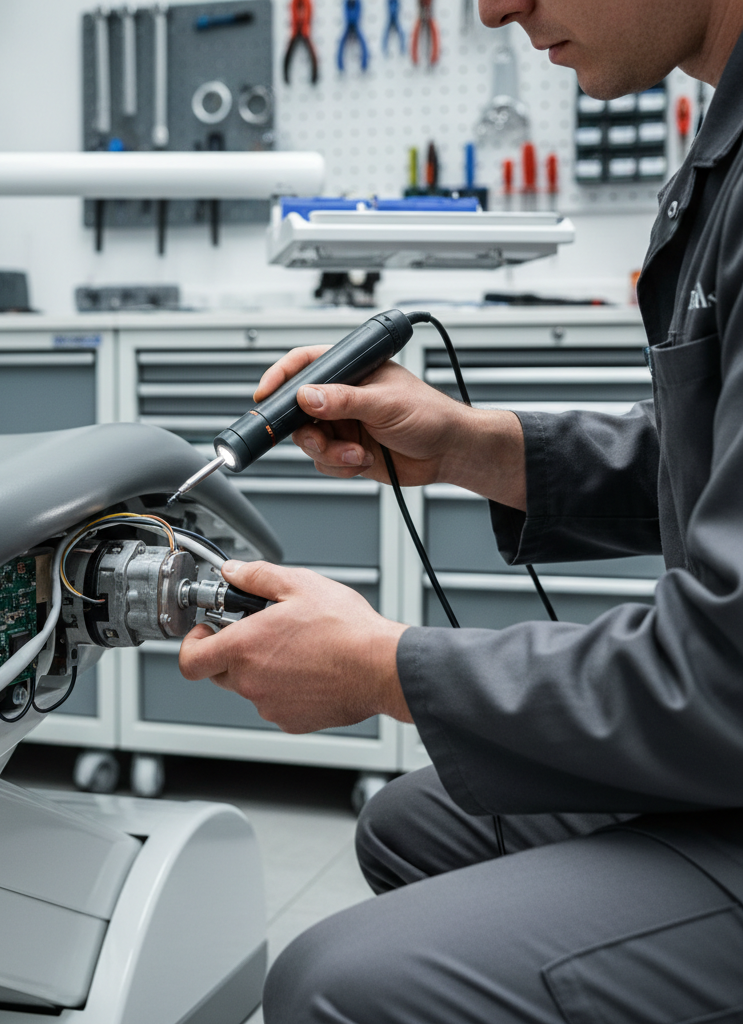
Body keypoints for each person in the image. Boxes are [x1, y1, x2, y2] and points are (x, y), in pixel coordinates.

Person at [178, 0, 743, 1019]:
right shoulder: (724, 147)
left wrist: (378, 666)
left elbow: (728, 674)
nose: (492, 9)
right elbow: (711, 460)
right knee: (415, 820)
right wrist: (471, 444)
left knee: (330, 985)